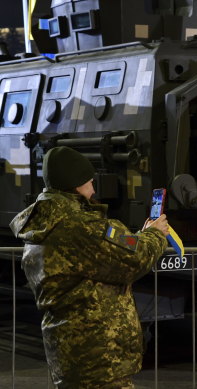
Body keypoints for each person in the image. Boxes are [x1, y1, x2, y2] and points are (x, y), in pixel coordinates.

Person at [9, 146, 170, 389]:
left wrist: (140, 236)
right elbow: (135, 259)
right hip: (100, 357)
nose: (93, 189)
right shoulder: (81, 227)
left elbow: (111, 251)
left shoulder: (45, 222)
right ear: (75, 185)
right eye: (89, 182)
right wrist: (156, 235)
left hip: (70, 351)